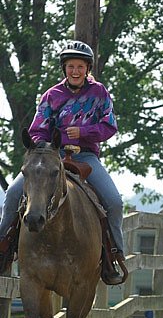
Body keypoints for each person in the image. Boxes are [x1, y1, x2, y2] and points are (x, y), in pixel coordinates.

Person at [0, 41, 125, 283]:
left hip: (85, 155)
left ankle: (114, 256)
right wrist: (47, 145)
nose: (75, 71)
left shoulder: (99, 93)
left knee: (114, 201)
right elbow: (37, 130)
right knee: (14, 194)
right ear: (64, 68)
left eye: (80, 66)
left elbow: (110, 126)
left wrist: (84, 132)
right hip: (50, 156)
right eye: (70, 66)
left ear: (87, 68)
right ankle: (3, 247)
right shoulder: (51, 95)